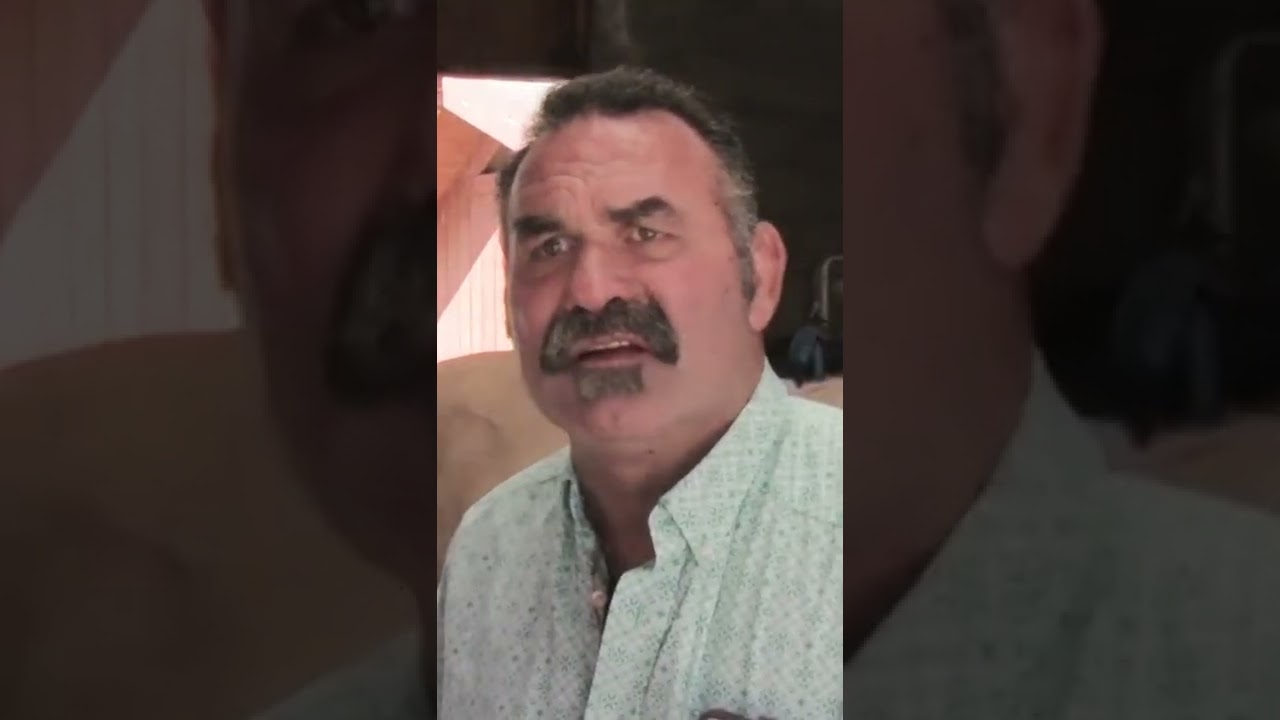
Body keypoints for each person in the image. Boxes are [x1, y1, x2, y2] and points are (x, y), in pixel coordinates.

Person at [435, 67, 844, 718]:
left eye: (646, 234)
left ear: (761, 275)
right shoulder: (488, 549)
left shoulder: (898, 536)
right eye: (550, 246)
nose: (591, 290)